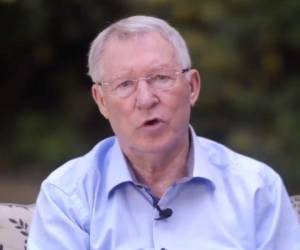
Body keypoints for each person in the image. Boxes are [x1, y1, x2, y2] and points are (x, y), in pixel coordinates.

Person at [28, 15, 300, 250]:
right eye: (124, 84)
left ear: (192, 87)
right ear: (101, 101)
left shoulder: (257, 189)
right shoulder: (67, 195)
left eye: (161, 77)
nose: (146, 99)